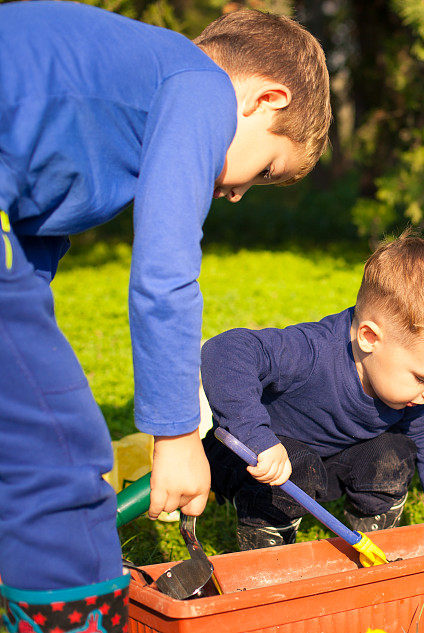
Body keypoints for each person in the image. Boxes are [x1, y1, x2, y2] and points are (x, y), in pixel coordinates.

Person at [0, 3, 330, 631]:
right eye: (263, 172)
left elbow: (30, 245)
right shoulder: (198, 85)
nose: (235, 194)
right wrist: (177, 434)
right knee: (61, 452)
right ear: (266, 99)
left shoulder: (126, 103)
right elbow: (165, 271)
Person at [200, 235, 424, 550]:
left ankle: (371, 536)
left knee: (392, 454)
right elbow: (224, 351)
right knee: (299, 468)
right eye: (423, 378)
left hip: (323, 464)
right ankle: (269, 551)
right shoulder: (311, 352)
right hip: (252, 460)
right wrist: (258, 438)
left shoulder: (409, 390)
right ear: (369, 337)